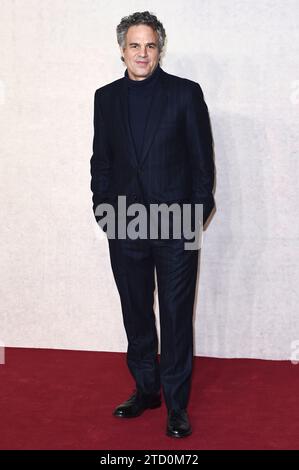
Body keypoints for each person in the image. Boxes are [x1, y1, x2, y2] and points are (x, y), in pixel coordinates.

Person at [90, 11, 215, 438]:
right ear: (122, 49)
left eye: (150, 45)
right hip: (125, 224)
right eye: (134, 45)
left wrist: (193, 219)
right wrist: (103, 209)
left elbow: (203, 165)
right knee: (137, 313)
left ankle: (176, 406)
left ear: (160, 49)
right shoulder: (105, 98)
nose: (142, 53)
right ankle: (146, 389)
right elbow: (101, 161)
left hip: (176, 224)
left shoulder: (185, 94)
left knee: (177, 318)